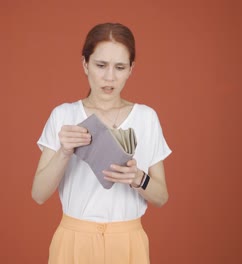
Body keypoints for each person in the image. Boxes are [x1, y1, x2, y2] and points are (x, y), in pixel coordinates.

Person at [32, 22, 172, 264]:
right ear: (85, 64)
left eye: (120, 67)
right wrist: (65, 152)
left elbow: (161, 197)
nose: (110, 77)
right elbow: (38, 194)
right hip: (74, 242)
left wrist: (138, 179)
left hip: (128, 243)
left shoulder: (146, 118)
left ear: (131, 69)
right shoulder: (63, 115)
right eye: (100, 65)